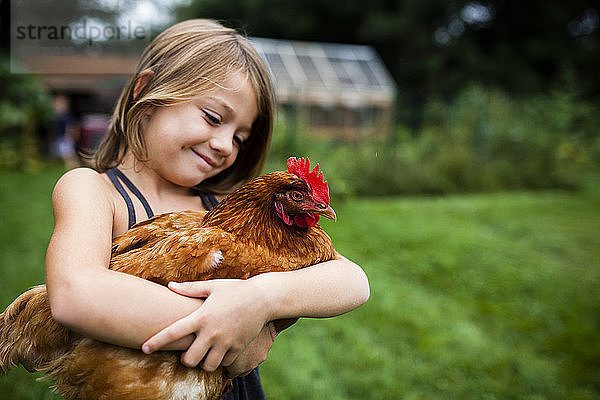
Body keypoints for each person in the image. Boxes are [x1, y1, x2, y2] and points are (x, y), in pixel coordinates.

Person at [45, 19, 370, 399]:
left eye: (239, 137)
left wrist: (263, 299)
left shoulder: (224, 208)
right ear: (146, 92)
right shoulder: (96, 191)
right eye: (213, 118)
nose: (225, 145)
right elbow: (73, 294)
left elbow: (353, 281)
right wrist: (232, 330)